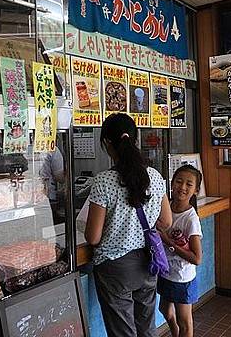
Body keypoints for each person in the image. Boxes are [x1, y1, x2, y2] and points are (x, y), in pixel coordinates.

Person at [85, 113, 172, 337]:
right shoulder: (154, 175)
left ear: (106, 143)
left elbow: (93, 238)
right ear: (134, 139)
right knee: (146, 329)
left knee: (123, 333)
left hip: (115, 269)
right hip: (148, 261)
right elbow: (166, 221)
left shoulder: (103, 181)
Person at [157, 165, 203, 337]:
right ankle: (175, 332)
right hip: (165, 273)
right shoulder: (166, 206)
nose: (182, 187)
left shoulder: (191, 219)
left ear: (196, 190)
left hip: (182, 278)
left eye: (189, 184)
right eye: (178, 181)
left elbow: (197, 258)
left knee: (185, 323)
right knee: (165, 311)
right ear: (172, 183)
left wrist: (169, 243)